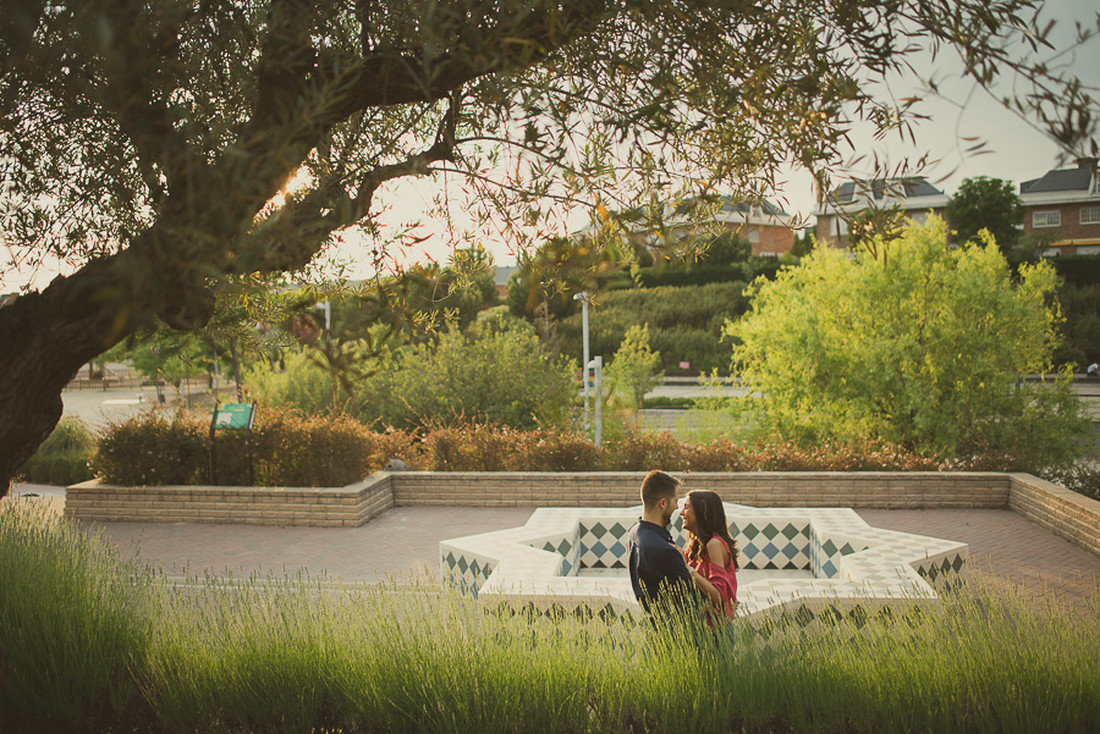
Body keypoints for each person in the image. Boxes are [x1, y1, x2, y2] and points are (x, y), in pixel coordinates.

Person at [627, 470, 698, 615]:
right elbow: (693, 601)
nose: (677, 508)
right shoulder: (666, 551)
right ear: (663, 503)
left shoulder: (634, 533)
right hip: (676, 634)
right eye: (675, 501)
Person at [680, 489, 739, 628]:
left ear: (702, 512)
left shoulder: (714, 544)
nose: (681, 512)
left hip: (717, 632)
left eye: (686, 507)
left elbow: (719, 596)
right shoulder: (697, 545)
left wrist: (688, 570)